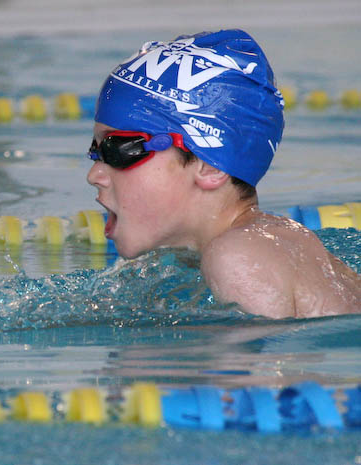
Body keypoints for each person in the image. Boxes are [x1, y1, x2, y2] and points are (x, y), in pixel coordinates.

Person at [86, 29, 360, 318]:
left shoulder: (237, 256)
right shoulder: (272, 240)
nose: (94, 175)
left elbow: (270, 346)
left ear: (210, 166)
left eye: (120, 149)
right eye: (95, 151)